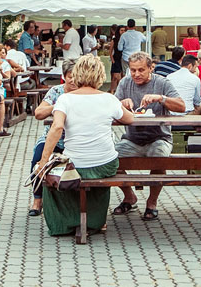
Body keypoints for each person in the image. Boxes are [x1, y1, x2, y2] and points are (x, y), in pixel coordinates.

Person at [38, 55, 134, 236]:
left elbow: (57, 127)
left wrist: (43, 162)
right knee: (102, 174)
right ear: (100, 76)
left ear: (77, 74)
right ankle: (95, 221)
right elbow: (129, 118)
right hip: (105, 163)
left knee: (50, 178)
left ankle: (64, 224)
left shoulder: (65, 99)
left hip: (74, 164)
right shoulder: (109, 98)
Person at [113, 52, 185, 221]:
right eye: (133, 70)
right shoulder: (125, 82)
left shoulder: (162, 82)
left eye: (141, 70)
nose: (136, 74)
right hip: (132, 138)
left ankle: (152, 202)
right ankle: (130, 196)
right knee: (110, 160)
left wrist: (161, 98)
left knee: (159, 158)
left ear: (151, 68)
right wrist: (120, 104)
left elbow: (182, 106)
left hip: (159, 137)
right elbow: (111, 107)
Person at [28, 59, 76, 216]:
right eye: (70, 76)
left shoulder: (84, 93)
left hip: (75, 139)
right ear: (64, 76)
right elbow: (38, 113)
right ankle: (37, 200)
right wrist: (58, 106)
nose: (74, 80)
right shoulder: (56, 91)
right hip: (53, 138)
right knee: (38, 158)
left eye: (77, 76)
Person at [108, 25, 125, 92]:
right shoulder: (114, 40)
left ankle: (119, 90)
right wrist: (112, 60)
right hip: (116, 59)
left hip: (123, 59)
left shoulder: (125, 39)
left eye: (124, 30)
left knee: (121, 76)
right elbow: (110, 51)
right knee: (115, 76)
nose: (123, 32)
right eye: (121, 30)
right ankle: (112, 90)